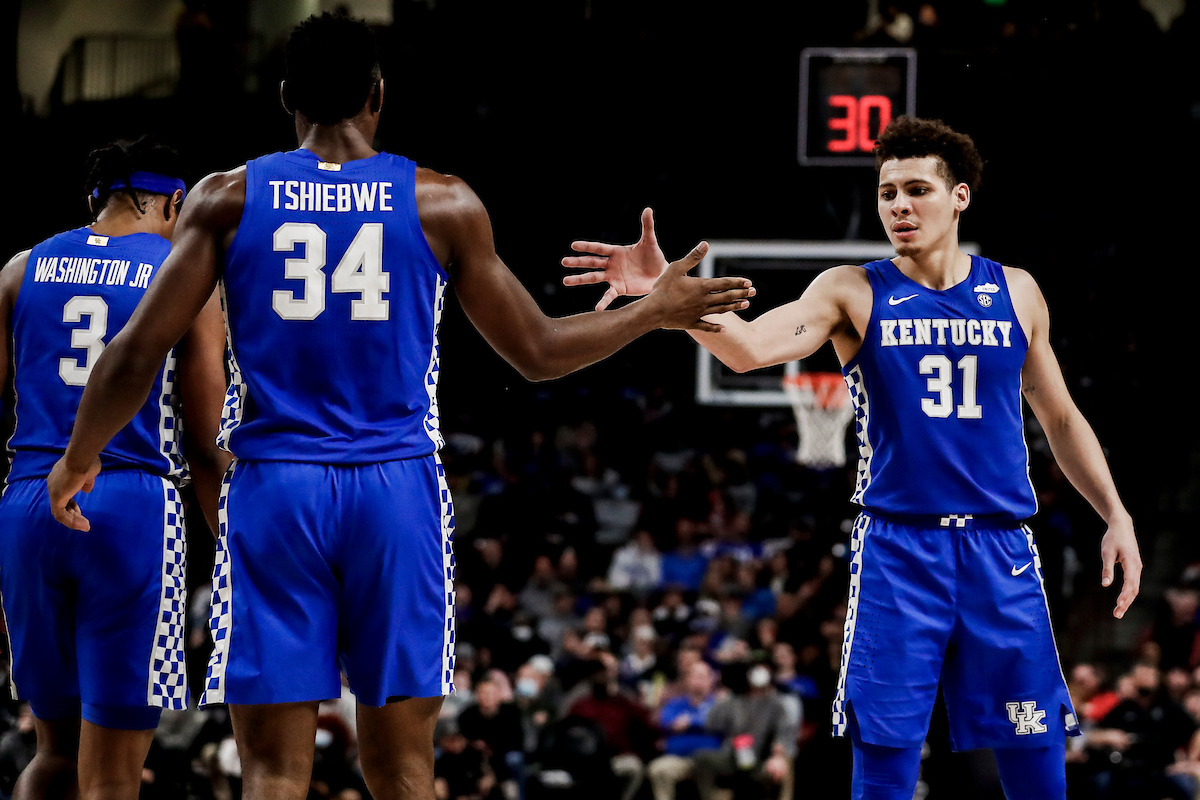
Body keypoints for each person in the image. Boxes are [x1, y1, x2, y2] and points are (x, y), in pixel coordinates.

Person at [43, 13, 754, 800]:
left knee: (273, 771)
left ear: (286, 97)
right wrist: (653, 312)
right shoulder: (443, 202)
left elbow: (135, 354)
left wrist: (79, 457)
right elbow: (539, 351)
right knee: (403, 770)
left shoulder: (225, 198)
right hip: (396, 491)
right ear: (378, 95)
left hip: (276, 489)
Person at [561, 115, 1143, 799]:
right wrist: (666, 296)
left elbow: (1062, 418)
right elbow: (748, 349)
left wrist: (1116, 514)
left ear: (959, 197)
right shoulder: (851, 290)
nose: (899, 206)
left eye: (917, 190)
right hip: (900, 550)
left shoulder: (1016, 291)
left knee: (1034, 749)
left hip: (1001, 548)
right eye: (887, 192)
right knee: (886, 760)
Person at [0, 137, 227, 800]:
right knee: (112, 777)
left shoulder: (20, 269)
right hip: (131, 504)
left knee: (53, 754)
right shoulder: (184, 277)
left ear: (94, 200)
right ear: (174, 203)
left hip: (30, 502)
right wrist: (234, 545)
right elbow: (207, 437)